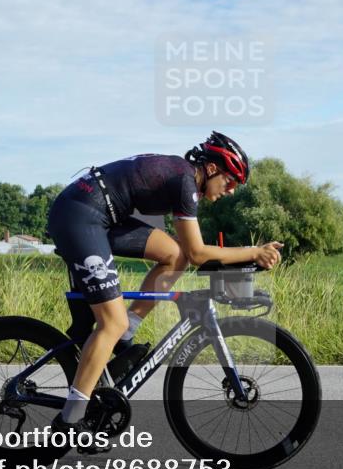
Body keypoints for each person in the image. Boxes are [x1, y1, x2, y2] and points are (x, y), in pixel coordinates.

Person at [45, 132, 283, 444]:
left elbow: (187, 255)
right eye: (230, 181)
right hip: (80, 215)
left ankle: (126, 333)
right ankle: (70, 420)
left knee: (175, 256)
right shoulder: (185, 183)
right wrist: (253, 252)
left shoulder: (184, 178)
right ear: (212, 169)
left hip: (101, 214)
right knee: (111, 322)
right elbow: (199, 254)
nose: (231, 190)